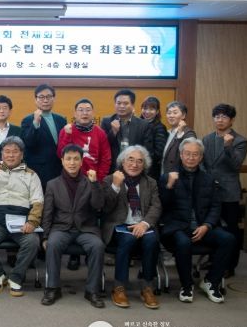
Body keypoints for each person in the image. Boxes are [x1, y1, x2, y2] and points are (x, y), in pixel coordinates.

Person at [159, 138, 235, 303]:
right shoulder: (168, 177)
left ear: (201, 157)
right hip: (177, 227)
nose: (191, 158)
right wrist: (169, 186)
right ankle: (186, 285)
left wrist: (207, 225)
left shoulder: (208, 179)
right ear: (181, 155)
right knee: (183, 242)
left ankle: (211, 281)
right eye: (187, 154)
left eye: (195, 154)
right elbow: (162, 207)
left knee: (228, 239)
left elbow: (215, 206)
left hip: (202, 227)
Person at [0, 136, 43, 297]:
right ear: (1, 153)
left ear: (22, 154)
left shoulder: (31, 175)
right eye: (7, 151)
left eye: (15, 151)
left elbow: (38, 201)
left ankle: (16, 277)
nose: (11, 155)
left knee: (32, 242)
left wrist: (32, 222)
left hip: (21, 222)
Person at [41, 144, 106, 308]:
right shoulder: (52, 184)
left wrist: (95, 184)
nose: (72, 163)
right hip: (61, 228)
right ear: (62, 161)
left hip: (86, 228)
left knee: (97, 246)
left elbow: (98, 205)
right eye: (68, 159)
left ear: (82, 161)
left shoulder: (90, 182)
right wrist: (45, 236)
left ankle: (92, 291)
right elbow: (48, 212)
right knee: (53, 244)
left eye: (76, 159)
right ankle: (53, 288)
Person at [102, 146, 162, 309]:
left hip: (142, 225)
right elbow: (105, 208)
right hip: (118, 226)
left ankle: (147, 286)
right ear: (122, 162)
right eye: (130, 159)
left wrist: (145, 223)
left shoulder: (150, 183)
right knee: (127, 239)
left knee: (152, 240)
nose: (134, 164)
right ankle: (119, 287)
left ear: (144, 165)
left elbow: (156, 206)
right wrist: (115, 186)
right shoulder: (110, 179)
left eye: (139, 161)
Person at [57, 98, 111, 271]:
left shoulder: (100, 132)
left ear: (93, 113)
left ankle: (90, 252)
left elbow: (106, 158)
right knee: (74, 213)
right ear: (75, 113)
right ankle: (74, 256)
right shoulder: (67, 130)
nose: (84, 113)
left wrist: (98, 180)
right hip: (72, 180)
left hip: (93, 181)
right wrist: (67, 135)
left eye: (88, 109)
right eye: (81, 109)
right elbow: (60, 153)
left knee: (91, 214)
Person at [202, 104, 247, 277]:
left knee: (230, 229)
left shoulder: (240, 140)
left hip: (229, 192)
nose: (220, 120)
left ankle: (230, 265)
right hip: (210, 191)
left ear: (232, 120)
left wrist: (228, 147)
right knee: (212, 227)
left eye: (224, 117)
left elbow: (236, 165)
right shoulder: (207, 139)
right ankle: (213, 259)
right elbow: (203, 164)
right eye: (217, 116)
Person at [20, 83, 67, 186]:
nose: (45, 100)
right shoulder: (28, 120)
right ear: (35, 99)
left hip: (60, 169)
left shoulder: (61, 119)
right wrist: (36, 123)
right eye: (41, 97)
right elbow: (29, 143)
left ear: (53, 98)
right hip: (39, 171)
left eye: (49, 97)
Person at [100, 89, 154, 173]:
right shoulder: (107, 122)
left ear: (132, 105)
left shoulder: (143, 125)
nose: (121, 106)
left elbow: (147, 151)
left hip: (134, 169)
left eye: (125, 103)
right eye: (118, 103)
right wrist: (113, 132)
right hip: (113, 170)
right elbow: (102, 147)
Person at [161, 101, 196, 174]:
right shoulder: (167, 132)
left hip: (179, 175)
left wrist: (180, 134)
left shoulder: (188, 133)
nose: (171, 115)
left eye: (175, 113)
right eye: (169, 113)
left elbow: (190, 154)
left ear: (183, 115)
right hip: (165, 174)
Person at [140, 96, 167, 181]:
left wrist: (142, 161)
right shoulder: (138, 124)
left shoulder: (160, 128)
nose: (147, 111)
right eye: (145, 108)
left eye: (151, 109)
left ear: (157, 111)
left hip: (150, 171)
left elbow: (158, 153)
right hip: (135, 166)